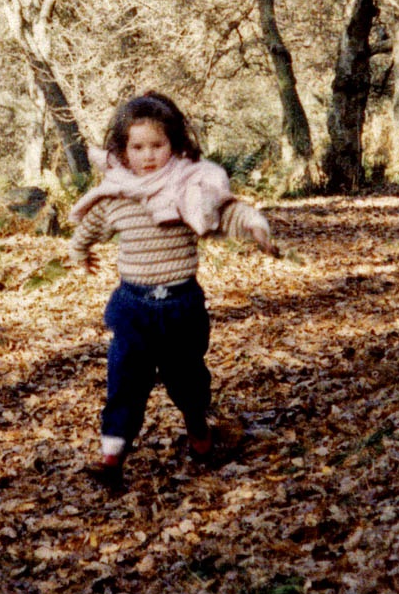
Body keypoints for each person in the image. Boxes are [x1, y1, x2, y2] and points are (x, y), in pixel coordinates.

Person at [68, 91, 279, 485]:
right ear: (124, 150)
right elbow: (89, 226)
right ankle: (111, 457)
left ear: (175, 143)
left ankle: (199, 432)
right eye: (138, 147)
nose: (148, 156)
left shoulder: (189, 186)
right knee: (125, 380)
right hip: (133, 306)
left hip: (181, 305)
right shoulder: (117, 195)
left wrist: (256, 228)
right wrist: (79, 252)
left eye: (158, 145)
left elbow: (227, 212)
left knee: (187, 379)